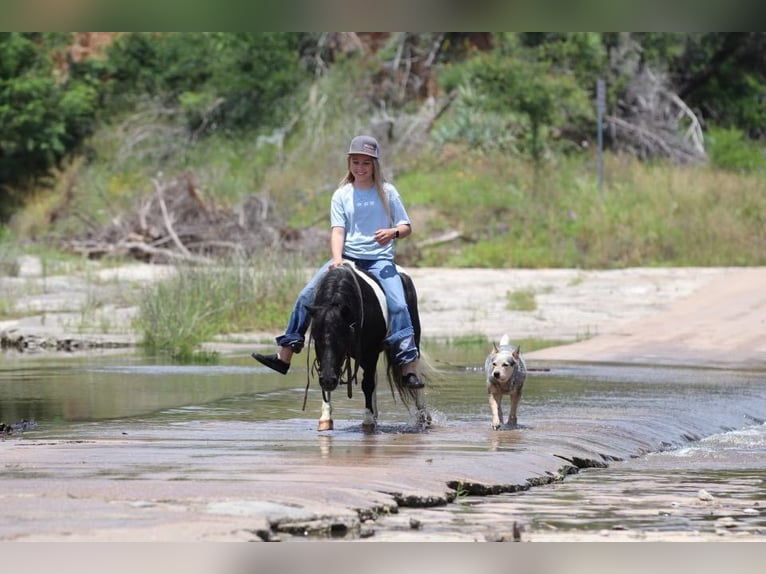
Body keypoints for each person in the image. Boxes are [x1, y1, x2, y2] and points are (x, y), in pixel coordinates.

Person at [252, 135, 423, 389]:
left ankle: (408, 368)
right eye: (356, 162)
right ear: (349, 163)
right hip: (349, 257)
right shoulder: (342, 194)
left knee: (398, 305)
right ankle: (284, 355)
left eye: (366, 163)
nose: (361, 168)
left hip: (379, 260)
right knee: (306, 296)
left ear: (374, 164)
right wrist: (337, 259)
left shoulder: (388, 192)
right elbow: (338, 231)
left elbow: (406, 226)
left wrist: (392, 233)